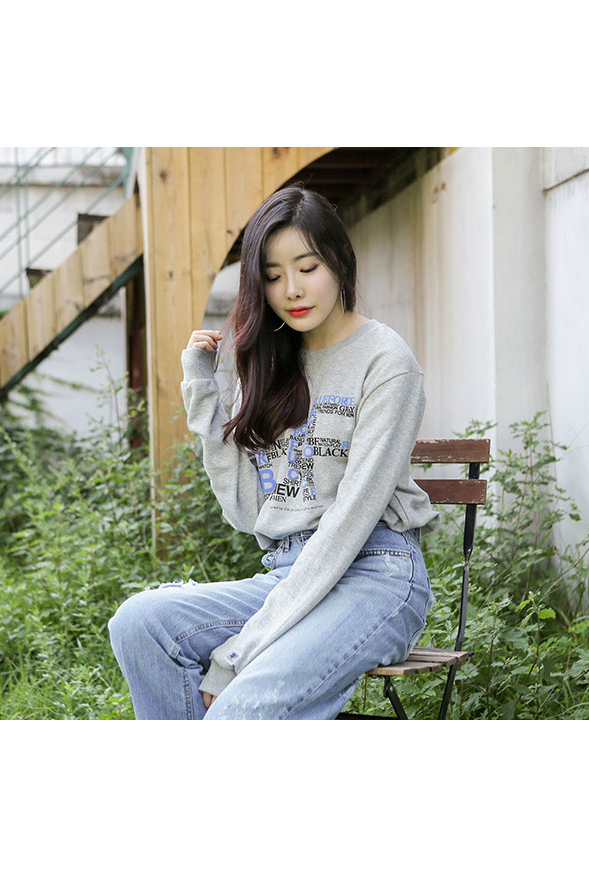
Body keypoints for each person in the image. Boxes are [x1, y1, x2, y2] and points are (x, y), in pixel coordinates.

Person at [108, 183, 437, 719]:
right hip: (289, 574)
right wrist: (204, 394)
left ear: (340, 261)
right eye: (274, 275)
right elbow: (247, 512)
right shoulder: (269, 364)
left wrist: (240, 652)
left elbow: (351, 522)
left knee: (240, 710)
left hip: (374, 575)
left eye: (308, 267)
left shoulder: (385, 361)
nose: (293, 289)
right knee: (139, 623)